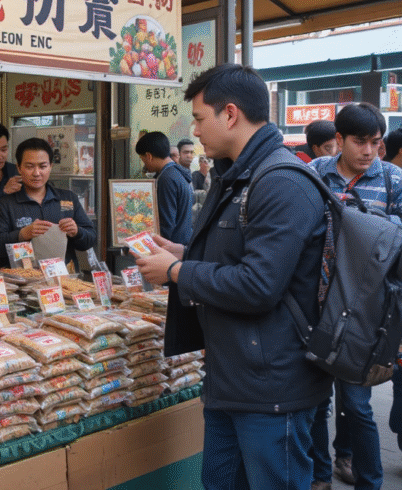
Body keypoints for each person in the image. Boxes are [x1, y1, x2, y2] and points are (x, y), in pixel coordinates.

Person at [135, 64, 332, 490]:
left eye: (200, 118)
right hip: (234, 375)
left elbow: (259, 285)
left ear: (230, 114)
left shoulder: (281, 181)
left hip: (273, 387)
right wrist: (183, 253)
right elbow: (241, 255)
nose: (195, 131)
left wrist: (176, 271)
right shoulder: (236, 174)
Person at [307, 103, 402, 490]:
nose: (368, 151)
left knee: (359, 408)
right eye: (359, 142)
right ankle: (318, 476)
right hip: (314, 306)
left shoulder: (393, 180)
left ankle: (369, 481)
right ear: (339, 141)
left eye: (375, 143)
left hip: (365, 315)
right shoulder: (313, 174)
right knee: (314, 405)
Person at [0, 137, 95, 267]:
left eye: (43, 166)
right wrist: (21, 235)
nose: (37, 173)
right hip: (23, 280)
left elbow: (91, 239)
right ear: (19, 168)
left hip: (63, 280)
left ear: (50, 166)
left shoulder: (68, 198)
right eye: (29, 166)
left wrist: (77, 232)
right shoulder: (4, 205)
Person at [135, 132, 193, 245]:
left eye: (143, 160)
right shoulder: (177, 172)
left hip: (172, 249)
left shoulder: (166, 178)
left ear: (149, 156)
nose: (145, 165)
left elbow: (166, 223)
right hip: (182, 243)